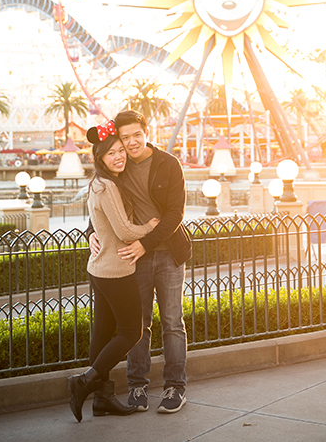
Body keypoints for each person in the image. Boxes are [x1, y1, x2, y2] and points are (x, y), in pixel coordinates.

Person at [87, 110, 191, 414]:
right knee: (139, 324)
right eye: (125, 137)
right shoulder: (117, 166)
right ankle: (138, 386)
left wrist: (145, 243)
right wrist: (91, 231)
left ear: (147, 132)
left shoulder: (168, 164)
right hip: (134, 256)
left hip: (167, 252)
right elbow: (102, 205)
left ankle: (175, 387)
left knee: (173, 322)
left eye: (136, 135)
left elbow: (176, 213)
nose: (131, 143)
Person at [67, 122, 159, 422]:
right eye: (112, 154)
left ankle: (103, 400)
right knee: (132, 331)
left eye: (121, 151)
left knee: (103, 333)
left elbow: (104, 224)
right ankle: (85, 381)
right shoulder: (107, 186)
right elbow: (122, 229)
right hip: (116, 270)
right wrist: (150, 227)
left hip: (100, 267)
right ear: (100, 158)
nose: (119, 157)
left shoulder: (99, 183)